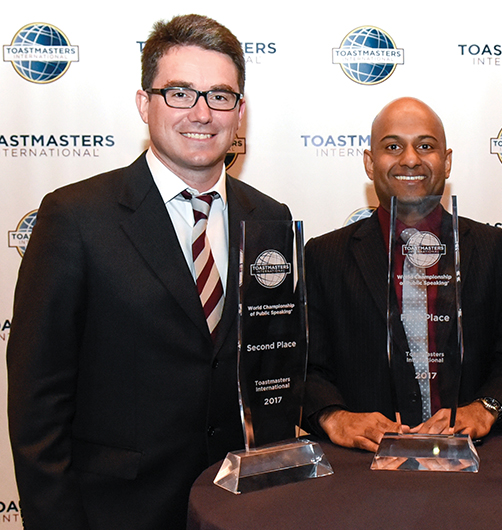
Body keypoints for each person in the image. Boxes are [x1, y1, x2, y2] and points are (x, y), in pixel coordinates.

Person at [6, 14, 291, 530]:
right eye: (180, 93)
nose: (201, 113)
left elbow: (274, 368)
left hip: (240, 509)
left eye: (220, 96)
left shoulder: (270, 220)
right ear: (145, 103)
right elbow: (37, 402)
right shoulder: (75, 217)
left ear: (240, 111)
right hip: (115, 512)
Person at [303, 97, 502, 452]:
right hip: (362, 472)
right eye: (392, 146)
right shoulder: (323, 257)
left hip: (475, 467)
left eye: (425, 146)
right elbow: (303, 369)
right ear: (369, 162)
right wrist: (335, 416)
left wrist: (486, 409)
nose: (410, 159)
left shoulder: (496, 250)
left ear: (447, 161)